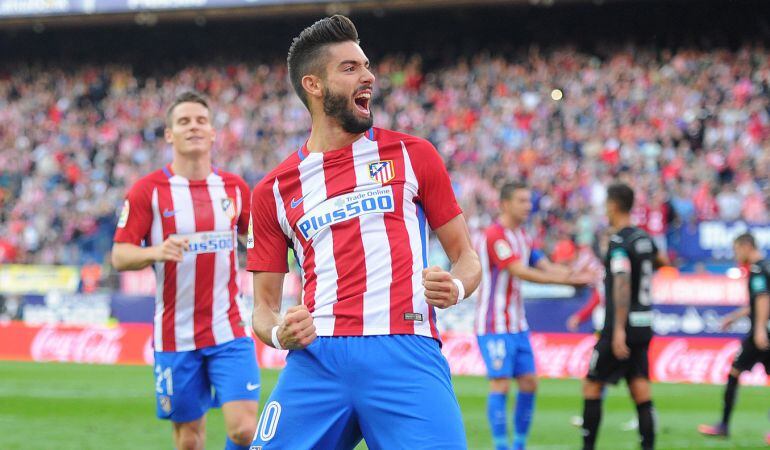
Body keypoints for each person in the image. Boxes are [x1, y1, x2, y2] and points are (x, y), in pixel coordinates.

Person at [246, 15, 481, 449]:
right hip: (317, 359)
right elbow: (262, 308)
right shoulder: (273, 190)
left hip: (406, 354)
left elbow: (467, 258)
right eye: (350, 68)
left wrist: (456, 286)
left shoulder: (415, 155)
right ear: (314, 85)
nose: (369, 76)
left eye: (366, 64)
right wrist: (280, 332)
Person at [111, 92, 259, 450]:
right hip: (175, 335)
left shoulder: (234, 188)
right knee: (189, 440)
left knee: (244, 431)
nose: (193, 126)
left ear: (212, 133)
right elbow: (119, 255)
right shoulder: (148, 191)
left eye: (200, 121)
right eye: (184, 121)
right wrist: (156, 251)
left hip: (230, 329)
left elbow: (256, 240)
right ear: (169, 135)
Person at [475, 182, 592, 450]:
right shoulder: (495, 236)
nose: (529, 206)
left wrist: (573, 275)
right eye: (522, 201)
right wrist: (565, 283)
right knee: (501, 383)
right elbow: (519, 271)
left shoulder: (523, 236)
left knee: (529, 383)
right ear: (505, 204)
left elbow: (543, 264)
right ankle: (501, 445)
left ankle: (519, 444)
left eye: (529, 201)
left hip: (517, 324)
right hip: (494, 324)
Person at [581, 183, 667, 450]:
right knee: (640, 388)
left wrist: (618, 329)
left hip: (620, 326)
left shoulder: (619, 242)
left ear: (614, 205)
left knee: (592, 386)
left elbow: (622, 282)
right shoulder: (644, 238)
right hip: (644, 323)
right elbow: (661, 260)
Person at [698, 232, 770, 442]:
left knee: (734, 372)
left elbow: (763, 299)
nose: (736, 254)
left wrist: (758, 329)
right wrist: (734, 316)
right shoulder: (765, 266)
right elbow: (759, 302)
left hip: (761, 333)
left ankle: (723, 425)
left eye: (737, 249)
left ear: (747, 246)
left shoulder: (757, 269)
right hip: (765, 330)